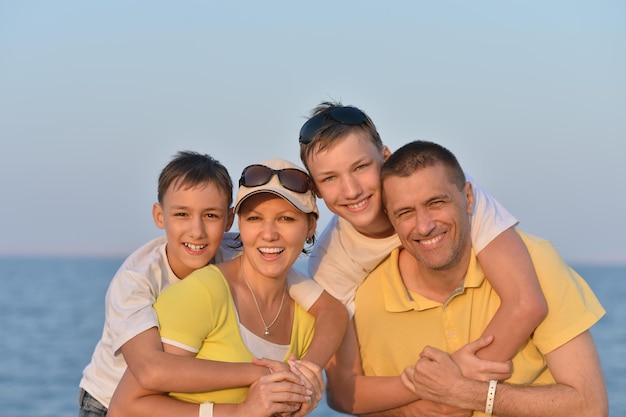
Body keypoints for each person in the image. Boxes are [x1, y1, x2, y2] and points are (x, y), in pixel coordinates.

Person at [333, 140, 607, 416]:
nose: (425, 226)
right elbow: (354, 401)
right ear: (390, 218)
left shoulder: (535, 262)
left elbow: (591, 407)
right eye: (406, 212)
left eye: (436, 202)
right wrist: (420, 404)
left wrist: (468, 394)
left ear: (469, 197)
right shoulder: (366, 302)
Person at [78, 152, 347, 417]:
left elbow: (331, 311)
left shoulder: (243, 251)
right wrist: (266, 372)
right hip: (105, 398)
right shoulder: (137, 280)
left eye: (211, 216)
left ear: (229, 220)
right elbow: (150, 371)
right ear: (159, 216)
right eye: (182, 214)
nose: (197, 231)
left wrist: (304, 376)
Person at [298, 101, 546, 367]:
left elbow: (525, 303)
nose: (351, 190)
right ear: (316, 190)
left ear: (386, 157)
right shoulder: (331, 260)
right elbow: (345, 387)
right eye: (330, 178)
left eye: (360, 167)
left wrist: (458, 383)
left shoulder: (444, 189)